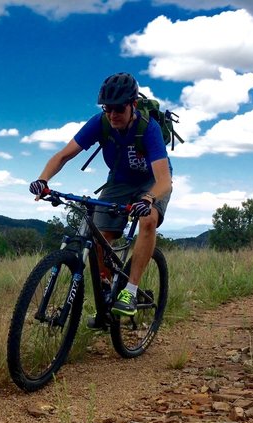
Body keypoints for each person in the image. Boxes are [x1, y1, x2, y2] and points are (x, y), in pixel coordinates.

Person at [29, 72, 173, 322]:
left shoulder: (148, 129)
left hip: (151, 180)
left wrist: (148, 198)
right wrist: (43, 180)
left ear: (133, 105)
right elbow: (64, 155)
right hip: (119, 181)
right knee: (98, 236)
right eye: (108, 108)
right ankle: (106, 290)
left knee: (148, 219)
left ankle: (130, 291)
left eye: (119, 109)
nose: (113, 114)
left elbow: (164, 181)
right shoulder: (100, 123)